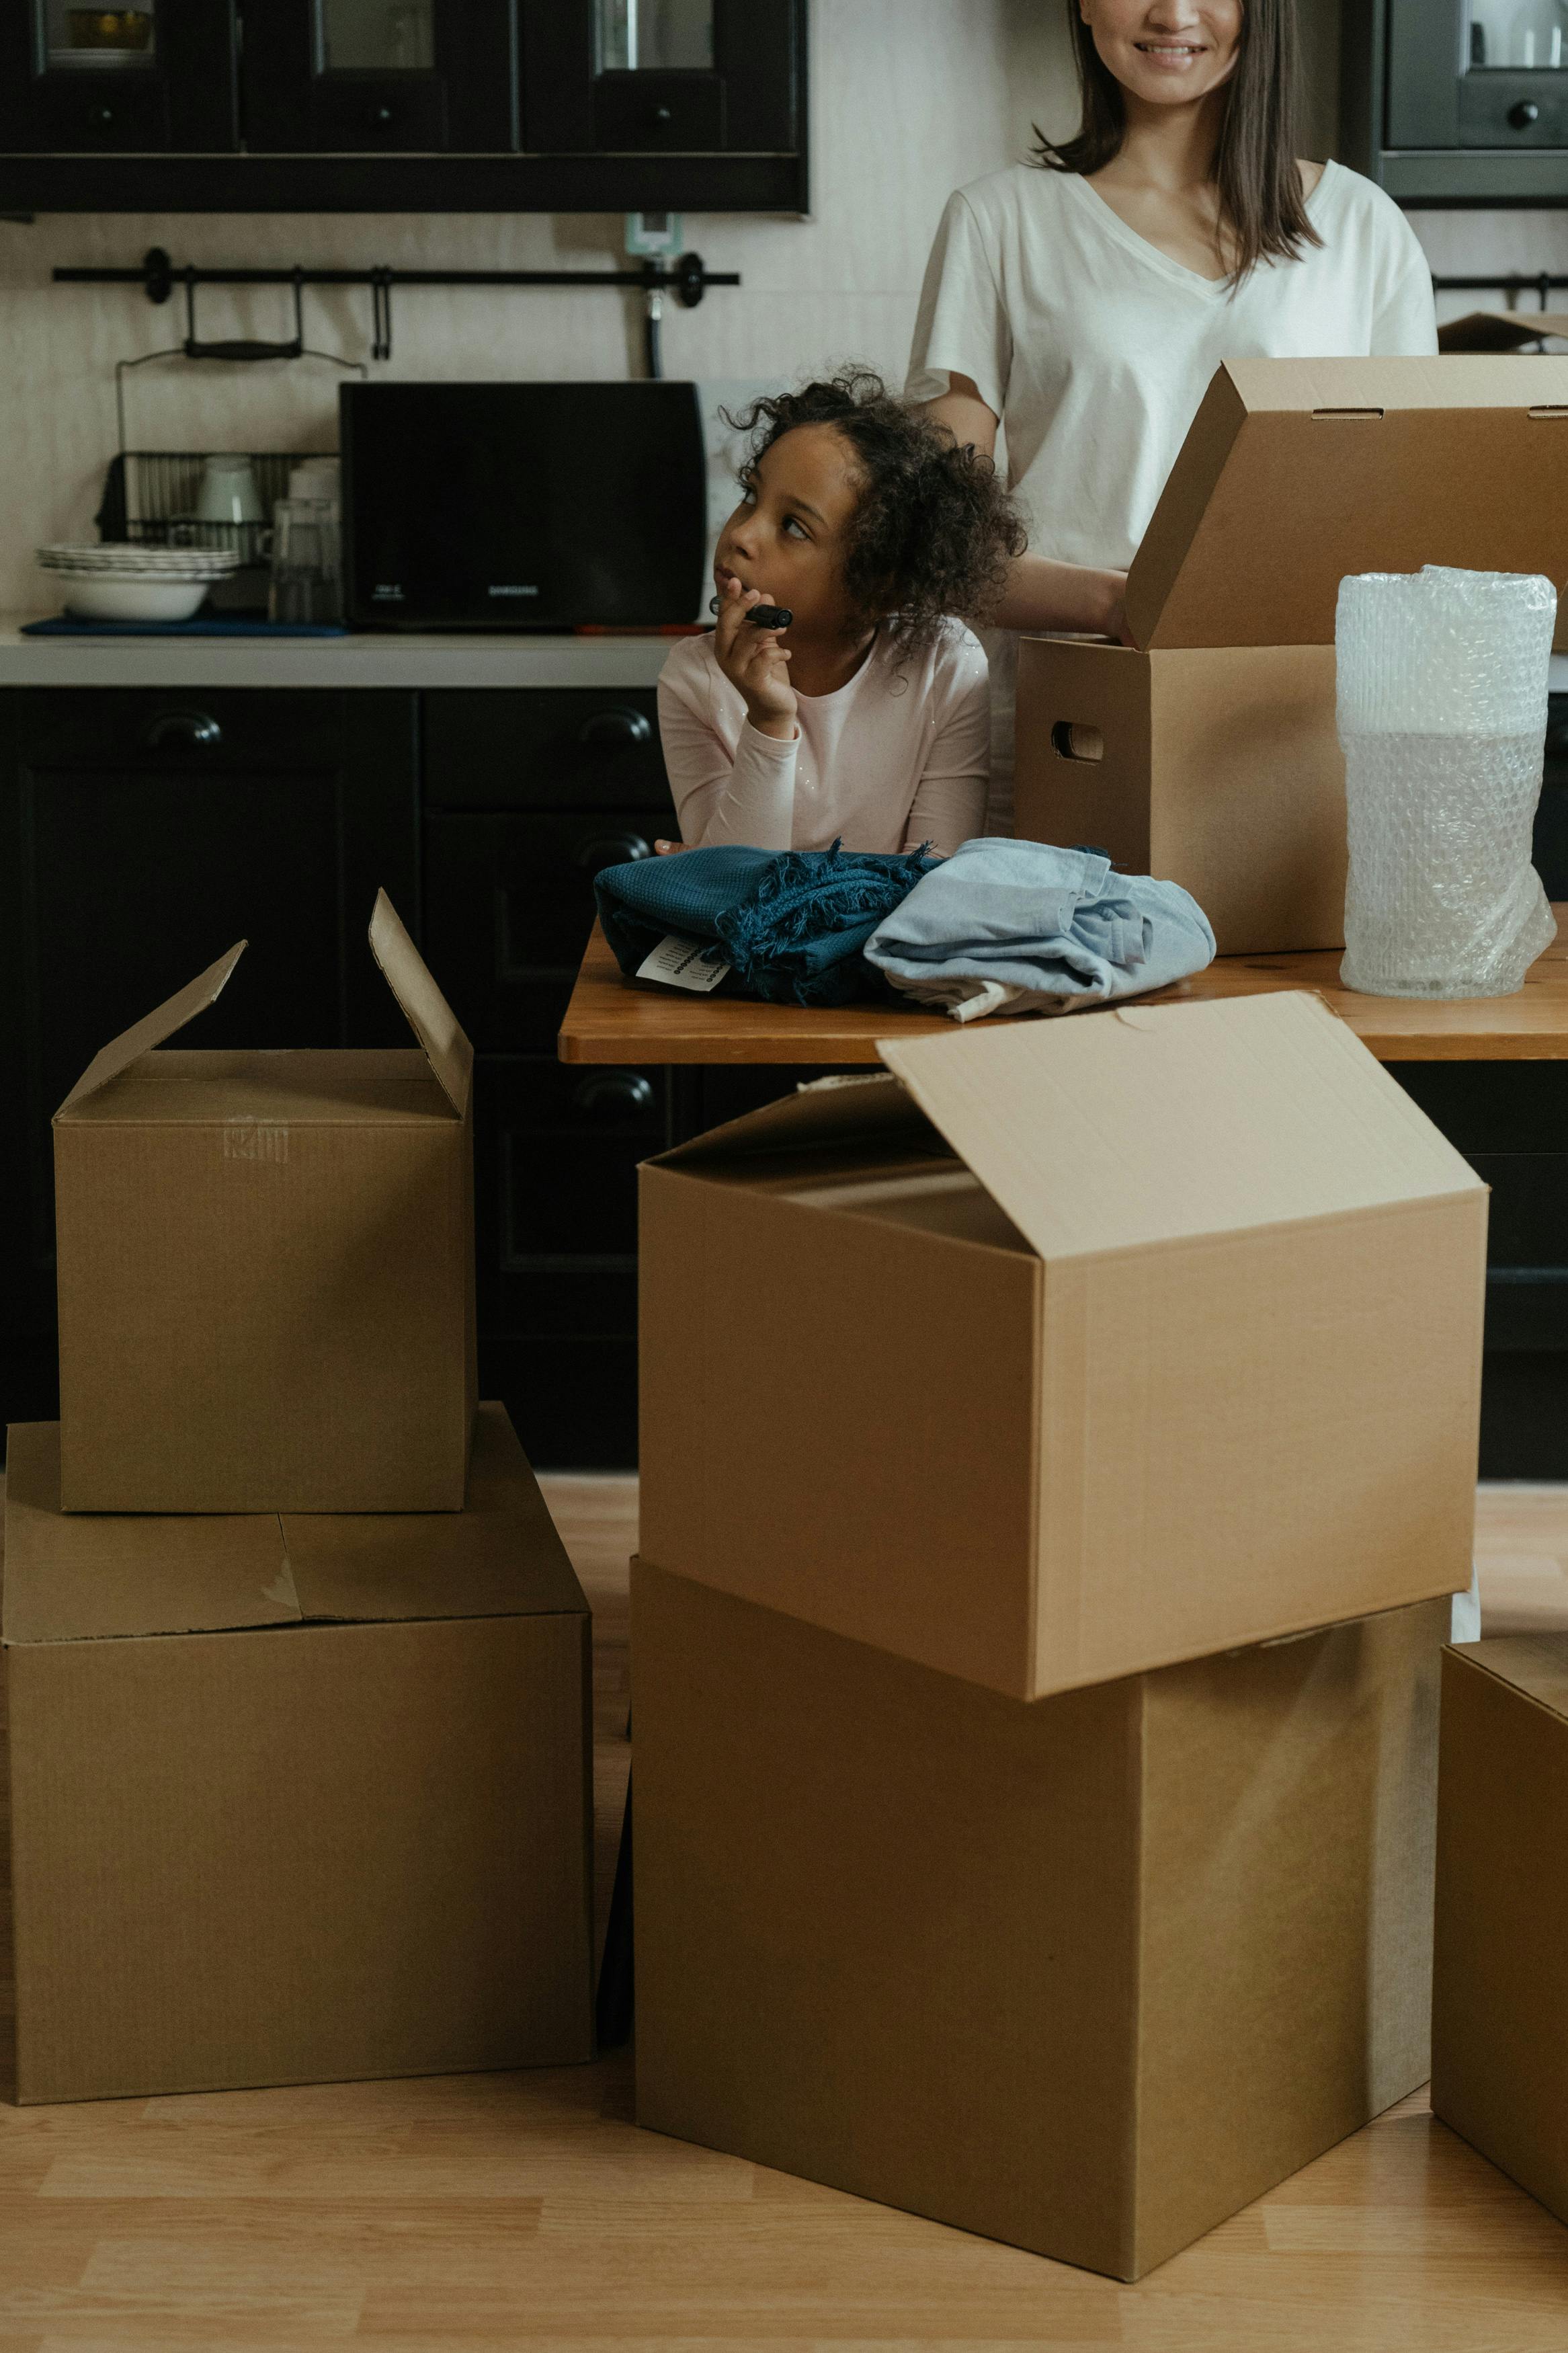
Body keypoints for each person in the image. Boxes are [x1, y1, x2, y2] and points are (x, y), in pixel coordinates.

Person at [906, 0, 1439, 823]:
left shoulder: (1360, 226)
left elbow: (1408, 533)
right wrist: (1119, 604)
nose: (1172, 13)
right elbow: (934, 541)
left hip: (1288, 737)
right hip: (1072, 726)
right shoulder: (998, 221)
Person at [655, 369, 1029, 861]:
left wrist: (708, 863)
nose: (741, 535)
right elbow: (731, 893)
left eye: (793, 526)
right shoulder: (692, 677)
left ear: (878, 584)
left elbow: (929, 884)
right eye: (751, 495)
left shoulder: (946, 664)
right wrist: (769, 719)